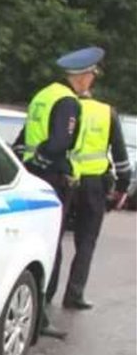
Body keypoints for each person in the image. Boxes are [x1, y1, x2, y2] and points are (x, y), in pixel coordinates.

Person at [15, 46, 103, 339]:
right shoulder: (68, 102)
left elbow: (26, 134)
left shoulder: (44, 94)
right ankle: (39, 318)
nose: (92, 80)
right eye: (92, 75)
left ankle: (32, 312)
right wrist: (46, 160)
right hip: (53, 177)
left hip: (32, 174)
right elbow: (60, 142)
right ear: (82, 76)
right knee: (51, 245)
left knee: (32, 242)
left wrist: (30, 161)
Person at [58, 91, 131, 309]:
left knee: (55, 238)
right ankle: (74, 294)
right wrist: (121, 188)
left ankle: (45, 294)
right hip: (94, 185)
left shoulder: (66, 109)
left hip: (66, 179)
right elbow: (120, 155)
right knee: (87, 241)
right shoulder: (106, 112)